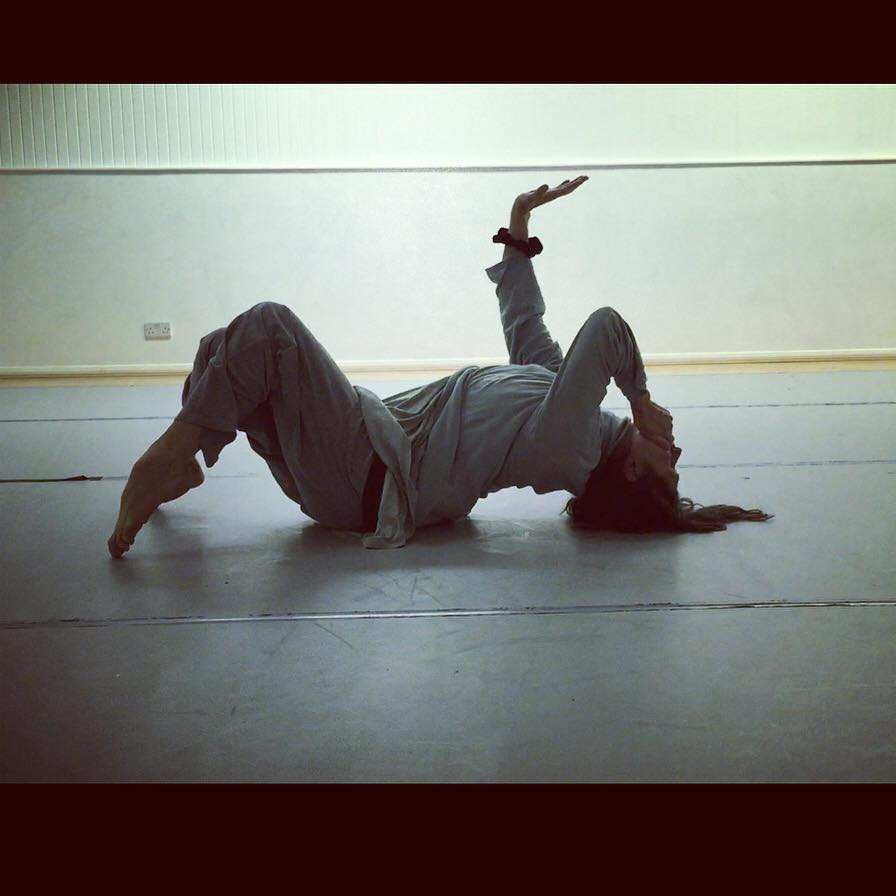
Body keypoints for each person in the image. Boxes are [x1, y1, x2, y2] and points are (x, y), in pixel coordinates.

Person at [108, 177, 771, 559]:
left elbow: (605, 327)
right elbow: (527, 331)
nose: (676, 447)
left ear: (630, 469)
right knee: (223, 346)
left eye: (671, 465)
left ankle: (173, 450)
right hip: (353, 468)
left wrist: (642, 392)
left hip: (366, 474)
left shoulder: (570, 449)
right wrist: (518, 224)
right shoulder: (575, 424)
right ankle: (190, 457)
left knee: (270, 327)